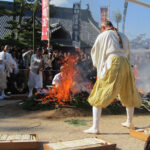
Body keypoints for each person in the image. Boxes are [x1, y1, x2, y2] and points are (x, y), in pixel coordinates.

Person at [83, 21, 141, 134]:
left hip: (113, 63)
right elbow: (128, 54)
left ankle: (95, 127)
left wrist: (99, 65)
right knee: (128, 91)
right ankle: (129, 122)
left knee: (100, 92)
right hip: (125, 64)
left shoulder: (104, 34)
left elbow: (95, 52)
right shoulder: (123, 35)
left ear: (103, 27)